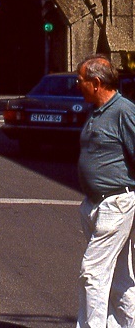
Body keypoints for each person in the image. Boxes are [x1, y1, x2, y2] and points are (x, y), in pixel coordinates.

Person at [76, 54, 135, 327]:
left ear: (96, 83)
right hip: (95, 205)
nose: (77, 84)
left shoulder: (124, 111)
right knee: (120, 280)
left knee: (92, 273)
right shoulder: (96, 111)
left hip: (116, 204)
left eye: (81, 80)